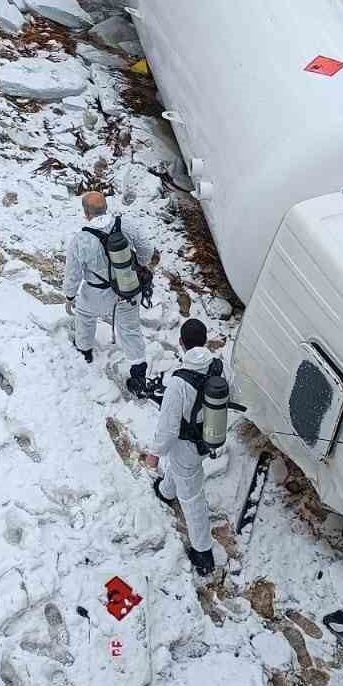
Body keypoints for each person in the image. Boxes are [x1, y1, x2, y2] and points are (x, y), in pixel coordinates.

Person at [62, 190, 155, 397]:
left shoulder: (81, 239)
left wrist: (69, 296)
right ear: (106, 208)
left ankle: (84, 351)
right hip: (128, 289)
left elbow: (73, 274)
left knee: (85, 315)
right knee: (130, 329)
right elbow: (147, 251)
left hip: (97, 293)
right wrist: (137, 266)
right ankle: (138, 374)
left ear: (86, 213)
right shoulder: (126, 225)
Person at [144, 318, 216, 576]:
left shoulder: (179, 383)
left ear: (181, 343)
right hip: (209, 435)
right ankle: (166, 490)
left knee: (193, 497)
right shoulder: (220, 367)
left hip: (187, 444)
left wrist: (153, 455)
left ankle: (203, 551)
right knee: (184, 469)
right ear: (205, 341)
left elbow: (168, 428)